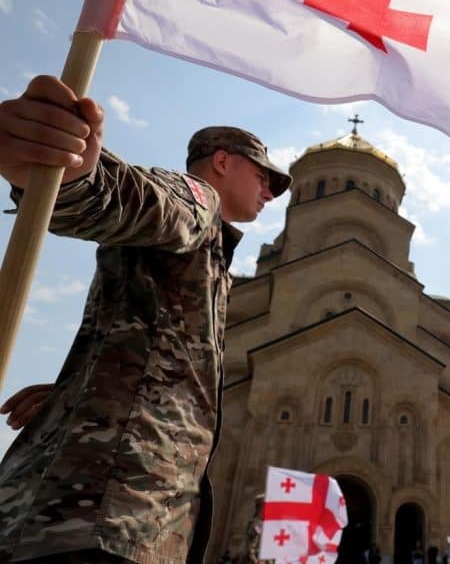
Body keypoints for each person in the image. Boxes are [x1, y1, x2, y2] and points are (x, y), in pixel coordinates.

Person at [0, 75, 290, 564]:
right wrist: (64, 173)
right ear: (222, 162)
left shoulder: (216, 254)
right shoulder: (199, 201)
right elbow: (137, 201)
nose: (270, 192)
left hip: (99, 514)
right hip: (109, 515)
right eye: (264, 176)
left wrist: (78, 395)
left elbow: (153, 352)